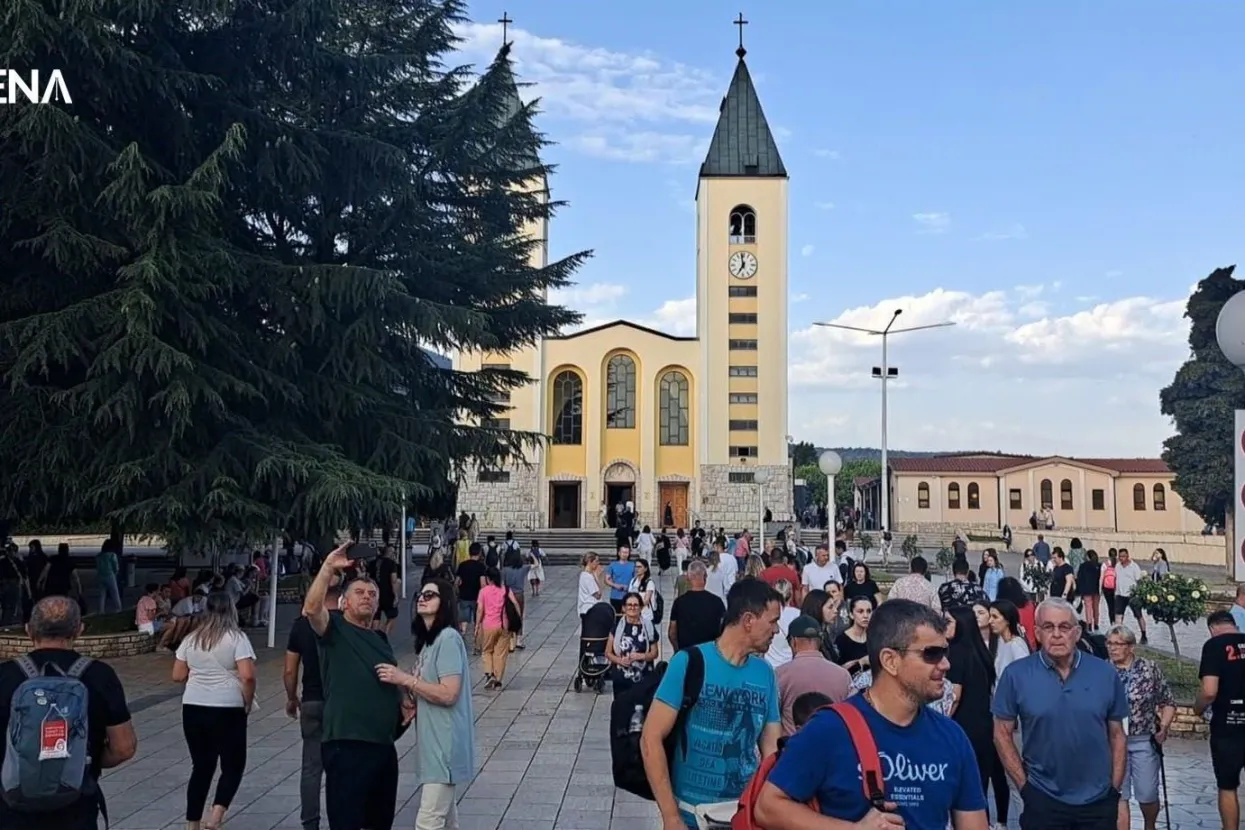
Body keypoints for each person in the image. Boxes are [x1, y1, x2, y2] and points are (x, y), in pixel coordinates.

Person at [754, 599, 988, 829]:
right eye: (932, 653)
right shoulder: (829, 729)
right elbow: (768, 807)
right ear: (890, 660)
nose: (946, 664)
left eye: (945, 652)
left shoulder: (952, 737)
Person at [640, 578, 783, 830]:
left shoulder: (766, 674)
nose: (777, 630)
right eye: (772, 621)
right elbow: (650, 738)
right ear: (748, 620)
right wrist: (670, 816)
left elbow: (771, 748)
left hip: (744, 814)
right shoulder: (688, 663)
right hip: (691, 816)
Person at [303, 541, 414, 830]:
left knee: (379, 823)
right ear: (345, 602)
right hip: (347, 743)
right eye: (360, 593)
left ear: (378, 603)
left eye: (372, 594)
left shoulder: (380, 640)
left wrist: (402, 696)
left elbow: (386, 676)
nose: (366, 597)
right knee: (347, 821)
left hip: (382, 745)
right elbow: (312, 609)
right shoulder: (335, 629)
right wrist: (328, 567)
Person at [0, 596, 137, 830]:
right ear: (79, 629)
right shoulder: (100, 675)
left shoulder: (5, 675)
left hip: (10, 806)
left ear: (28, 630)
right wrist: (79, 761)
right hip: (76, 804)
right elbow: (123, 747)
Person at [993, 598, 1127, 829]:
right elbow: (1001, 734)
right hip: (1043, 800)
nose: (1056, 634)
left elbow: (1118, 735)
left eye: (1064, 627)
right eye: (1048, 627)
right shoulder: (1016, 675)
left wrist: (1113, 790)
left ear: (1076, 633)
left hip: (1098, 802)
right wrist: (1025, 787)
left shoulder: (1105, 673)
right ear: (1037, 632)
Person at [376, 579, 476, 830]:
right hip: (433, 744)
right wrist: (409, 696)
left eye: (430, 595)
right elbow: (426, 688)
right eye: (421, 594)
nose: (422, 598)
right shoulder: (429, 643)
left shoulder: (449, 639)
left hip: (445, 745)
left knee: (428, 821)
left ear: (445, 602)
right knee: (447, 821)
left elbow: (449, 693)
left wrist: (405, 678)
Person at [173, 591, 257, 830]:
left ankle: (193, 823)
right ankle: (216, 814)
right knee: (233, 764)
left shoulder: (191, 639)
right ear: (231, 609)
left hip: (193, 706)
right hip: (227, 707)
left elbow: (177, 675)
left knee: (201, 766)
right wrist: (247, 702)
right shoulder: (237, 638)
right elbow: (248, 675)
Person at [1105, 624, 1175, 830]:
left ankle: (1150, 825)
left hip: (1143, 740)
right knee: (1119, 793)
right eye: (1109, 643)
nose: (1113, 648)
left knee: (1147, 793)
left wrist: (1163, 727)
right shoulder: (1102, 670)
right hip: (1112, 740)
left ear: (1131, 646)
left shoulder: (1149, 668)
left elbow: (1168, 701)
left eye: (1118, 644)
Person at [285, 585, 341, 830]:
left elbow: (289, 670)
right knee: (341, 766)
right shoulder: (344, 624)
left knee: (311, 768)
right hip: (339, 703)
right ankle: (341, 819)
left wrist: (291, 697)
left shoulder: (300, 625)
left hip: (310, 701)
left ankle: (310, 823)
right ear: (340, 599)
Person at [1196, 609, 1245, 829]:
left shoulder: (1214, 646)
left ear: (1212, 628)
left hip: (1228, 726)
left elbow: (1209, 691)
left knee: (1227, 786)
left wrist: (1198, 709)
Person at [774, 614, 851, 736]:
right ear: (820, 641)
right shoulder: (843, 675)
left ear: (793, 642)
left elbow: (773, 720)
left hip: (793, 748)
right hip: (832, 746)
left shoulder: (780, 674)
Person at [668, 560, 725, 651]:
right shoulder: (717, 602)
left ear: (688, 578)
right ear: (705, 576)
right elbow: (724, 630)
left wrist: (677, 650)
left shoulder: (679, 602)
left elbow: (672, 633)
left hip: (686, 653)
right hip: (710, 653)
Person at [455, 543, 487, 648]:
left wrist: (457, 591)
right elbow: (482, 583)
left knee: (463, 620)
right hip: (477, 597)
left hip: (464, 596)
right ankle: (477, 645)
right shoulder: (481, 567)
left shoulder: (462, 565)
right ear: (479, 553)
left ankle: (461, 639)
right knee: (478, 621)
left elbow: (457, 581)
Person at [604, 546, 636, 615]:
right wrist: (616, 585)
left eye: (627, 552)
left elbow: (636, 580)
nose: (625, 554)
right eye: (623, 552)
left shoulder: (633, 565)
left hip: (629, 596)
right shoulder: (612, 565)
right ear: (619, 553)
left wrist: (629, 587)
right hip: (615, 596)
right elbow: (606, 580)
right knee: (616, 617)